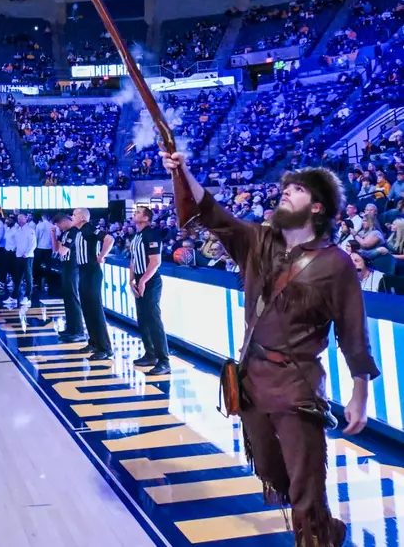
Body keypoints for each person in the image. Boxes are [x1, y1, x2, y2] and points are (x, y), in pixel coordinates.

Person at [163, 151, 379, 547]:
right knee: (269, 469)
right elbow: (214, 215)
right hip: (251, 382)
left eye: (296, 190)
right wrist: (183, 170)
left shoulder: (337, 264)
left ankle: (315, 534)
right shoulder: (259, 242)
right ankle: (326, 528)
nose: (285, 193)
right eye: (285, 187)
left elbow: (353, 331)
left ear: (316, 207)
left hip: (297, 387)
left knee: (306, 484)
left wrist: (360, 392)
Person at [60, 208, 114, 360]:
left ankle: (105, 347)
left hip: (92, 272)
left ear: (82, 217)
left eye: (75, 215)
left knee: (95, 310)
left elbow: (109, 239)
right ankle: (94, 342)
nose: (72, 217)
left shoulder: (89, 229)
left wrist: (101, 256)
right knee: (87, 308)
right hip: (82, 271)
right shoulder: (77, 232)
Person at [129, 205, 170, 375]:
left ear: (146, 218)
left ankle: (164, 360)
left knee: (154, 320)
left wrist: (143, 280)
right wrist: (131, 279)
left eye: (138, 212)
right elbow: (132, 259)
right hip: (139, 279)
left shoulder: (151, 235)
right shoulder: (136, 236)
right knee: (143, 319)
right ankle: (150, 354)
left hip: (151, 281)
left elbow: (155, 262)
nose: (134, 214)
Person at [52, 212, 86, 343]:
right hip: (65, 266)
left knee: (73, 297)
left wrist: (61, 244)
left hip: (73, 266)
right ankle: (71, 328)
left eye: (59, 224)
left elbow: (62, 251)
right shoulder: (64, 232)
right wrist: (53, 235)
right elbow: (56, 248)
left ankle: (78, 330)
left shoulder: (73, 231)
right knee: (67, 298)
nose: (59, 227)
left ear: (65, 221)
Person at [14, 213, 37, 300]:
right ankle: (14, 295)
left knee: (28, 276)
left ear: (26, 219)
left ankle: (28, 296)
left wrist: (26, 254)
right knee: (18, 276)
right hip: (19, 256)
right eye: (18, 218)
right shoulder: (18, 230)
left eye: (22, 218)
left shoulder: (30, 230)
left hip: (27, 257)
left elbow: (33, 244)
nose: (20, 220)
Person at [33, 214, 53, 292]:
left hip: (39, 247)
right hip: (48, 248)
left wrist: (35, 246)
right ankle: (48, 283)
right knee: (48, 266)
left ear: (42, 217)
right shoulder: (52, 226)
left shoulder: (39, 225)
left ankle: (36, 282)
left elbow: (36, 237)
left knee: (37, 265)